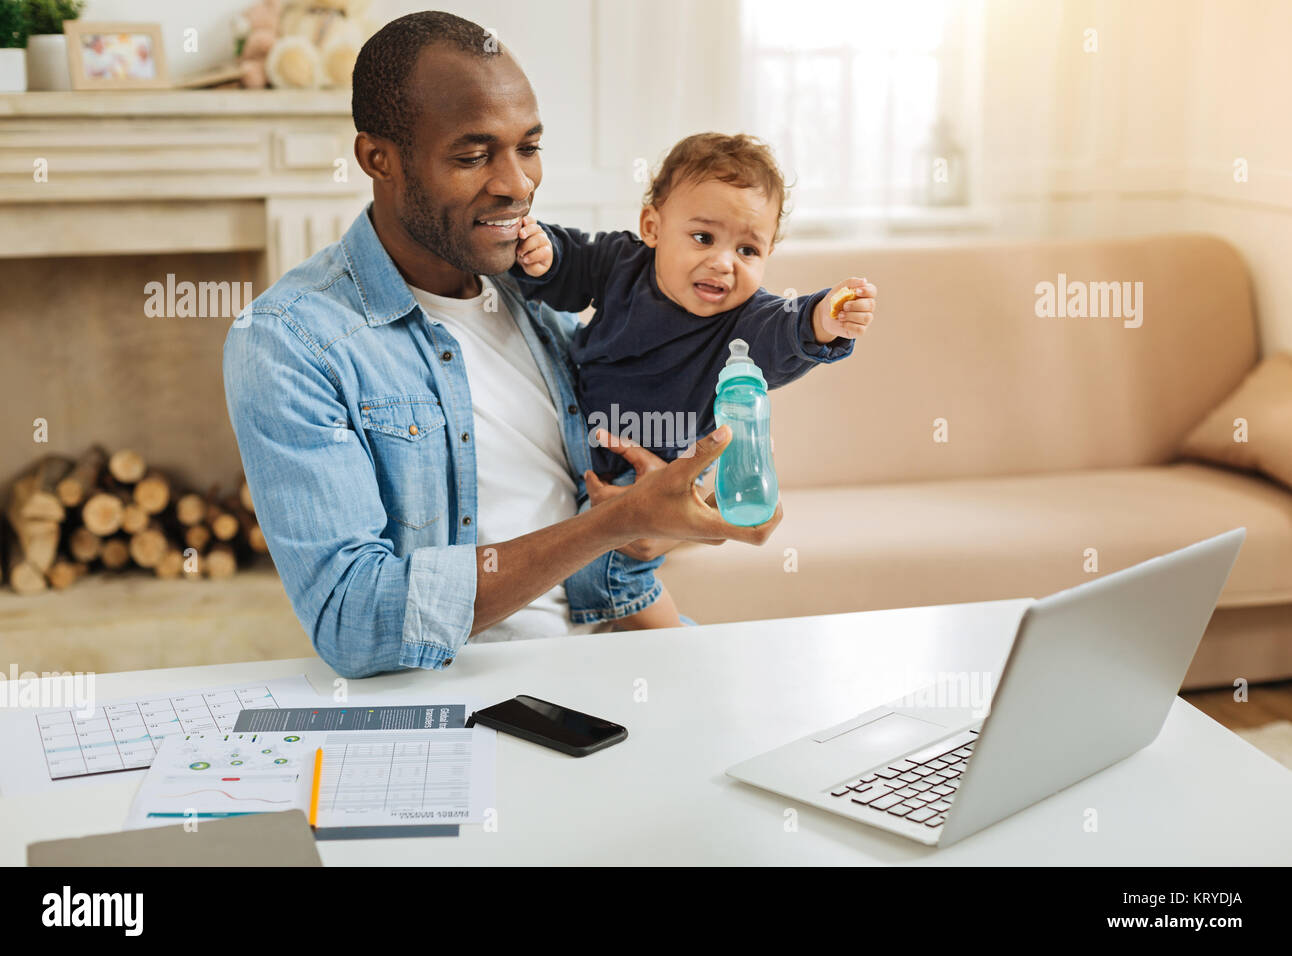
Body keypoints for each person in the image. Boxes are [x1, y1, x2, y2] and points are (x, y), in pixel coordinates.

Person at [221, 10, 782, 679]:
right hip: (486, 701)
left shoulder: (541, 295)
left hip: (632, 654)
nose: (516, 183)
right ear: (379, 159)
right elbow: (355, 621)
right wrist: (615, 523)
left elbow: (610, 503)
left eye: (529, 147)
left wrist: (658, 522)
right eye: (472, 155)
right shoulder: (294, 341)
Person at [508, 132, 877, 627]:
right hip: (580, 445)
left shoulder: (742, 322)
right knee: (591, 571)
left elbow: (787, 325)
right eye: (703, 237)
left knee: (615, 573)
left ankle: (681, 652)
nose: (723, 262)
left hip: (652, 476)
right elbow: (572, 258)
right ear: (653, 227)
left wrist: (823, 321)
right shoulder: (621, 263)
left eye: (748, 249)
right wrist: (544, 253)